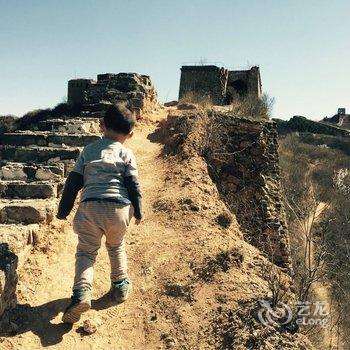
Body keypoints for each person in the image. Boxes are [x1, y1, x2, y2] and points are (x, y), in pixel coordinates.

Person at [56, 103, 143, 324]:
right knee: (116, 246)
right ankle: (120, 286)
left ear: (101, 126)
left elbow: (73, 182)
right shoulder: (127, 153)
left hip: (90, 207)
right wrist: (139, 211)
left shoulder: (88, 150)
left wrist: (63, 211)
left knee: (86, 253)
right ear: (130, 134)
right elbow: (133, 184)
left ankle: (81, 294)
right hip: (119, 209)